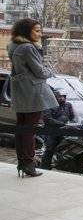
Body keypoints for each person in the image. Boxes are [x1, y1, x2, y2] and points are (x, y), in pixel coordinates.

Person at [7, 18, 57, 178]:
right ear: (26, 31)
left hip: (20, 92)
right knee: (30, 130)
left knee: (21, 129)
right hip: (33, 93)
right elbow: (40, 72)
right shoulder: (28, 47)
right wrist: (50, 72)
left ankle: (22, 162)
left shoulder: (13, 45)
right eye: (36, 30)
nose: (40, 34)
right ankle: (29, 163)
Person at [41, 89, 76, 170]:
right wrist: (62, 124)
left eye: (63, 96)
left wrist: (76, 122)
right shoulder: (49, 105)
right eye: (60, 97)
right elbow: (48, 119)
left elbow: (73, 116)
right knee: (50, 149)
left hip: (65, 129)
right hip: (51, 131)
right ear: (55, 97)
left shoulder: (68, 105)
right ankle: (45, 167)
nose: (62, 98)